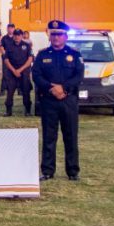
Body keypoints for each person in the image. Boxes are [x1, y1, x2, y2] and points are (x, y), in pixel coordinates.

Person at [33, 20, 85, 181]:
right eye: (53, 34)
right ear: (49, 36)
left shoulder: (75, 54)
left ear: (65, 36)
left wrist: (64, 89)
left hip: (68, 100)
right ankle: (48, 171)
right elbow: (36, 75)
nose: (56, 37)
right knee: (49, 136)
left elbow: (79, 76)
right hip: (49, 100)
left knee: (70, 135)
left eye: (59, 34)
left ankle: (73, 171)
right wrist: (51, 88)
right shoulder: (42, 55)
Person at [3, 29, 34, 116]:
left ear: (21, 36)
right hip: (12, 73)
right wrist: (14, 70)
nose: (17, 37)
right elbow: (6, 60)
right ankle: (8, 111)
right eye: (15, 35)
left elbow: (30, 59)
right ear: (13, 36)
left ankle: (27, 111)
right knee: (10, 92)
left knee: (26, 92)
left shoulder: (27, 46)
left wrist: (19, 70)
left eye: (19, 35)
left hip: (23, 73)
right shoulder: (9, 46)